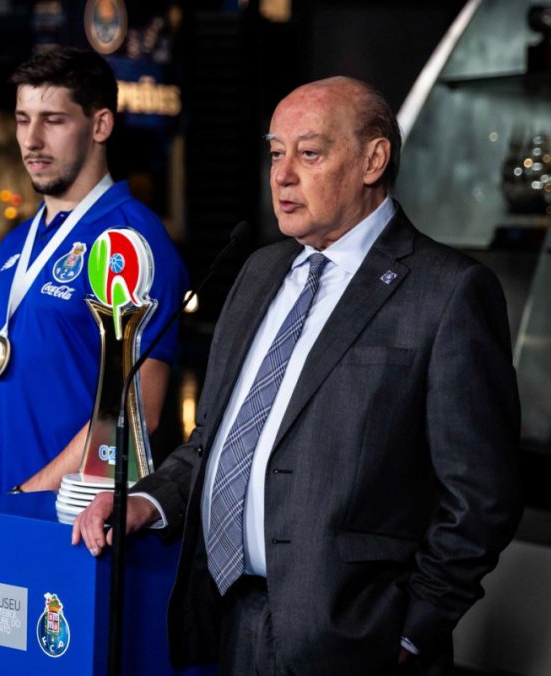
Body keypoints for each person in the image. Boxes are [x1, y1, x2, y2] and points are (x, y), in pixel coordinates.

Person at [73, 76, 522, 675]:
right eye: (275, 153)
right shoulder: (259, 271)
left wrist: (414, 630)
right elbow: (215, 441)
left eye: (308, 154)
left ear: (373, 160)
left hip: (356, 642)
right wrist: (148, 501)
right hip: (229, 620)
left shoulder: (449, 291)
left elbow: (482, 494)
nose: (282, 176)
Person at [0, 46, 187, 498]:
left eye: (53, 120)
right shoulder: (14, 245)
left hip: (67, 519)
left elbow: (136, 411)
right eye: (23, 120)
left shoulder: (130, 240)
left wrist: (24, 498)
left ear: (100, 125)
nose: (31, 140)